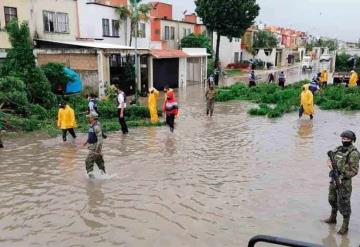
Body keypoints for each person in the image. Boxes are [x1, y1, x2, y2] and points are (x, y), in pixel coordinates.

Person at [324, 130, 359, 235]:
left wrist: (341, 176)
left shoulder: (353, 153)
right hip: (334, 178)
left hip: (344, 182)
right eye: (343, 138)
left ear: (352, 140)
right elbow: (330, 157)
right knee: (332, 199)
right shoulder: (338, 149)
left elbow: (354, 171)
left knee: (344, 204)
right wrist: (329, 163)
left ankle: (345, 226)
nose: (345, 140)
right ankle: (333, 218)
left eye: (347, 139)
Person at [83, 112, 106, 179]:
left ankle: (91, 179)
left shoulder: (96, 126)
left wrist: (97, 150)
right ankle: (104, 176)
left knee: (88, 161)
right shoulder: (92, 125)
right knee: (99, 162)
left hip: (95, 147)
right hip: (93, 146)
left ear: (92, 118)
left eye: (89, 117)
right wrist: (86, 142)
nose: (88, 118)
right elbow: (91, 135)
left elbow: (100, 140)